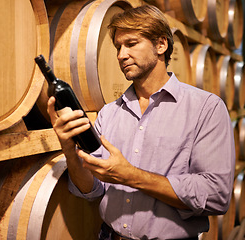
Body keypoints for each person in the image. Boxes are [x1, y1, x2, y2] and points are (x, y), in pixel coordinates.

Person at [47, 4, 235, 240]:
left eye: (131, 44)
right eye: (118, 47)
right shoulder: (109, 112)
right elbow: (91, 190)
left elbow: (216, 195)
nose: (121, 55)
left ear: (161, 45)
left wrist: (130, 175)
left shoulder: (205, 108)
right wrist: (69, 151)